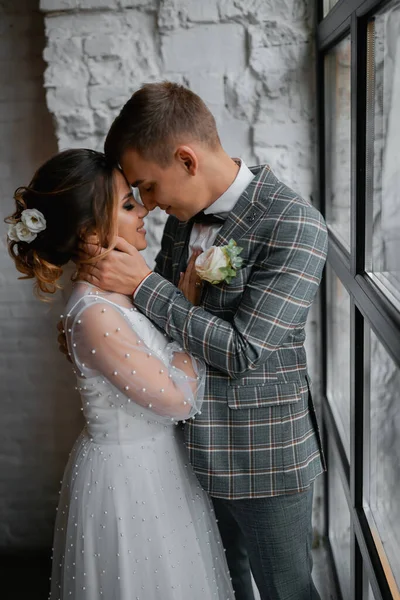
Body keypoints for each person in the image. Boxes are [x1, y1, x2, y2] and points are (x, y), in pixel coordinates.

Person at [75, 81, 329, 600]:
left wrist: (144, 284)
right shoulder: (178, 218)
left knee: (286, 591)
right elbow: (165, 329)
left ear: (187, 160)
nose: (146, 204)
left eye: (146, 186)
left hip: (264, 458)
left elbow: (241, 350)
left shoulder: (295, 224)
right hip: (181, 455)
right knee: (219, 585)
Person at [5, 149, 235, 600]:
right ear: (91, 233)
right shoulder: (93, 313)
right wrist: (185, 311)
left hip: (158, 466)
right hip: (129, 482)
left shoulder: (120, 295)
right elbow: (180, 400)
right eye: (128, 205)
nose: (144, 209)